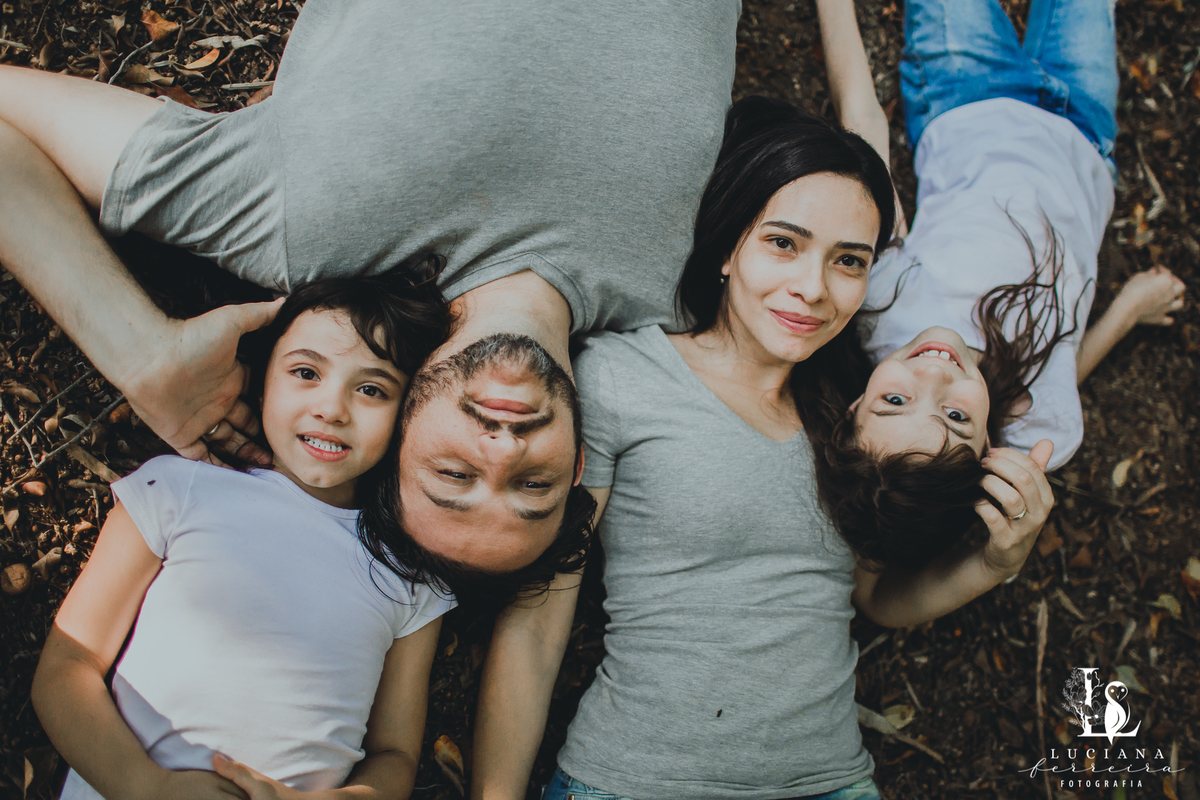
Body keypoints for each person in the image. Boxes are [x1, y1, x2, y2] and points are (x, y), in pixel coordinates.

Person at [469, 2, 1057, 797]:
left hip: (829, 784)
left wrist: (996, 562)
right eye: (784, 243)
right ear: (728, 250)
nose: (812, 288)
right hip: (636, 781)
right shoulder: (619, 376)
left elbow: (876, 598)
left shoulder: (865, 411)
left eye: (849, 261)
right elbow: (541, 619)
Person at [0, 0, 742, 575]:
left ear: (396, 438)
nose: (499, 452)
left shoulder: (299, 226)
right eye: (533, 488)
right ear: (579, 462)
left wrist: (139, 354)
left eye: (454, 474)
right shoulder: (698, 295)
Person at [30, 273, 455, 800]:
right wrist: (146, 785)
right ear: (261, 383)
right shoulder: (179, 489)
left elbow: (395, 755)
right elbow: (67, 668)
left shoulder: (408, 574)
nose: (332, 408)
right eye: (305, 372)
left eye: (371, 389)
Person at [814, 0, 1188, 571]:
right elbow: (1063, 374)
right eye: (957, 417)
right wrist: (1126, 314)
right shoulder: (1042, 425)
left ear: (856, 404)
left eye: (894, 401)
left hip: (966, 91)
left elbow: (864, 134)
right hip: (1086, 132)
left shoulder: (877, 307)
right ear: (992, 448)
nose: (935, 373)